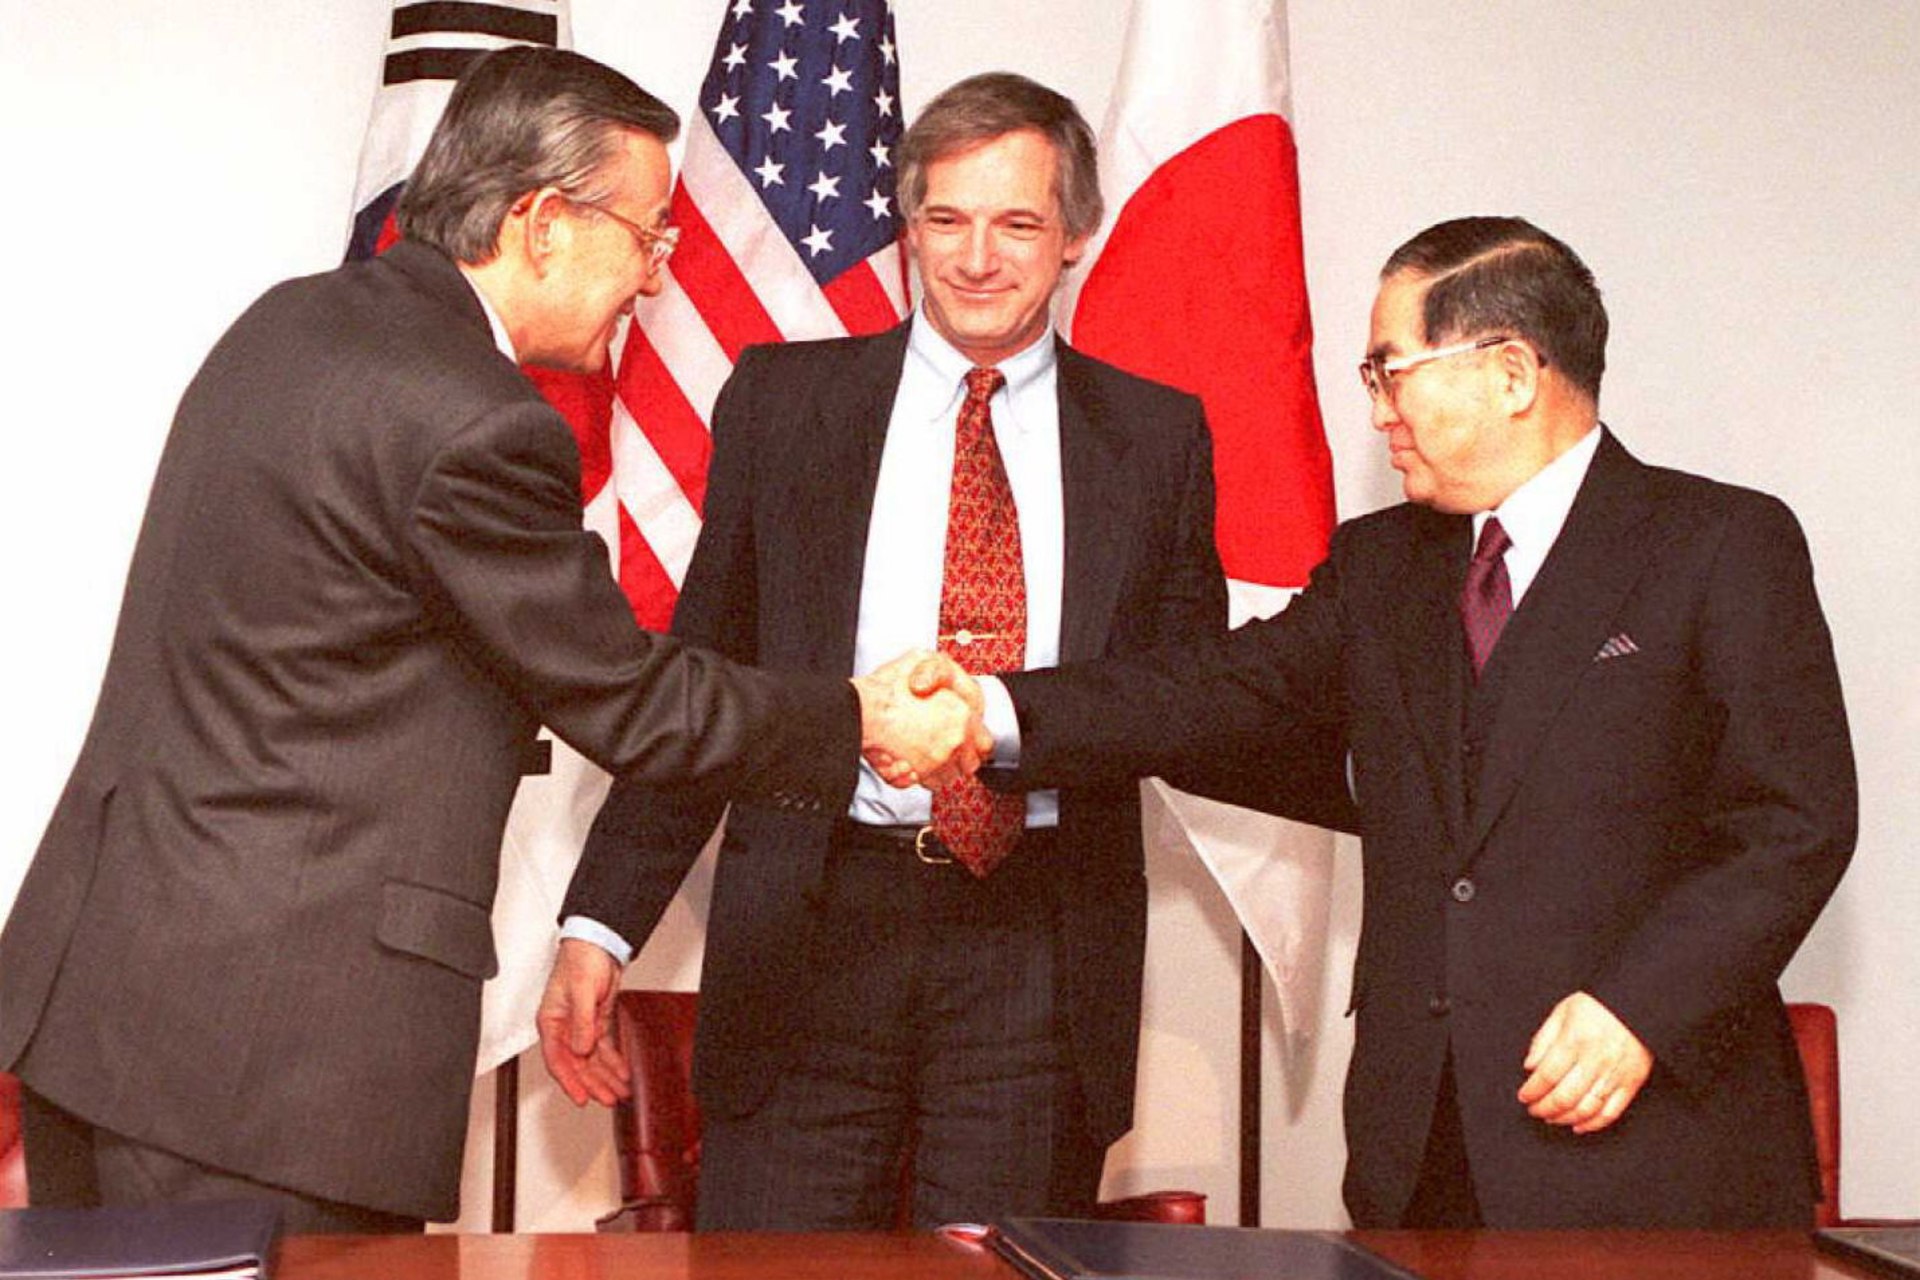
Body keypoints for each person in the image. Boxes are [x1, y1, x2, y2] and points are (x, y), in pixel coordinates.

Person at [0, 47, 977, 1234]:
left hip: (95, 1010)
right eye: (649, 235)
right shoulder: (474, 417)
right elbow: (627, 694)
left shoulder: (288, 320)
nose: (658, 279)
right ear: (544, 222)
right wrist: (865, 719)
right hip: (265, 1064)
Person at [922, 217, 1857, 1228]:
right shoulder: (1384, 564)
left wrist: (1641, 1005)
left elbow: (1793, 823)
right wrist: (994, 709)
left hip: (1650, 1143)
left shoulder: (1718, 543)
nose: (1376, 413)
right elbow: (1217, 692)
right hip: (1425, 1151)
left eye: (1389, 371)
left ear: (1510, 372)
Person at [538, 73, 1326, 1231]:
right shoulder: (785, 403)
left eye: (1017, 223)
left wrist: (1002, 718)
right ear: (907, 230)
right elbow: (704, 680)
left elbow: (1180, 695)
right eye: (946, 219)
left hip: (1037, 950)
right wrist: (601, 922)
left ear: (1073, 238)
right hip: (809, 927)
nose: (977, 257)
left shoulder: (1156, 437)